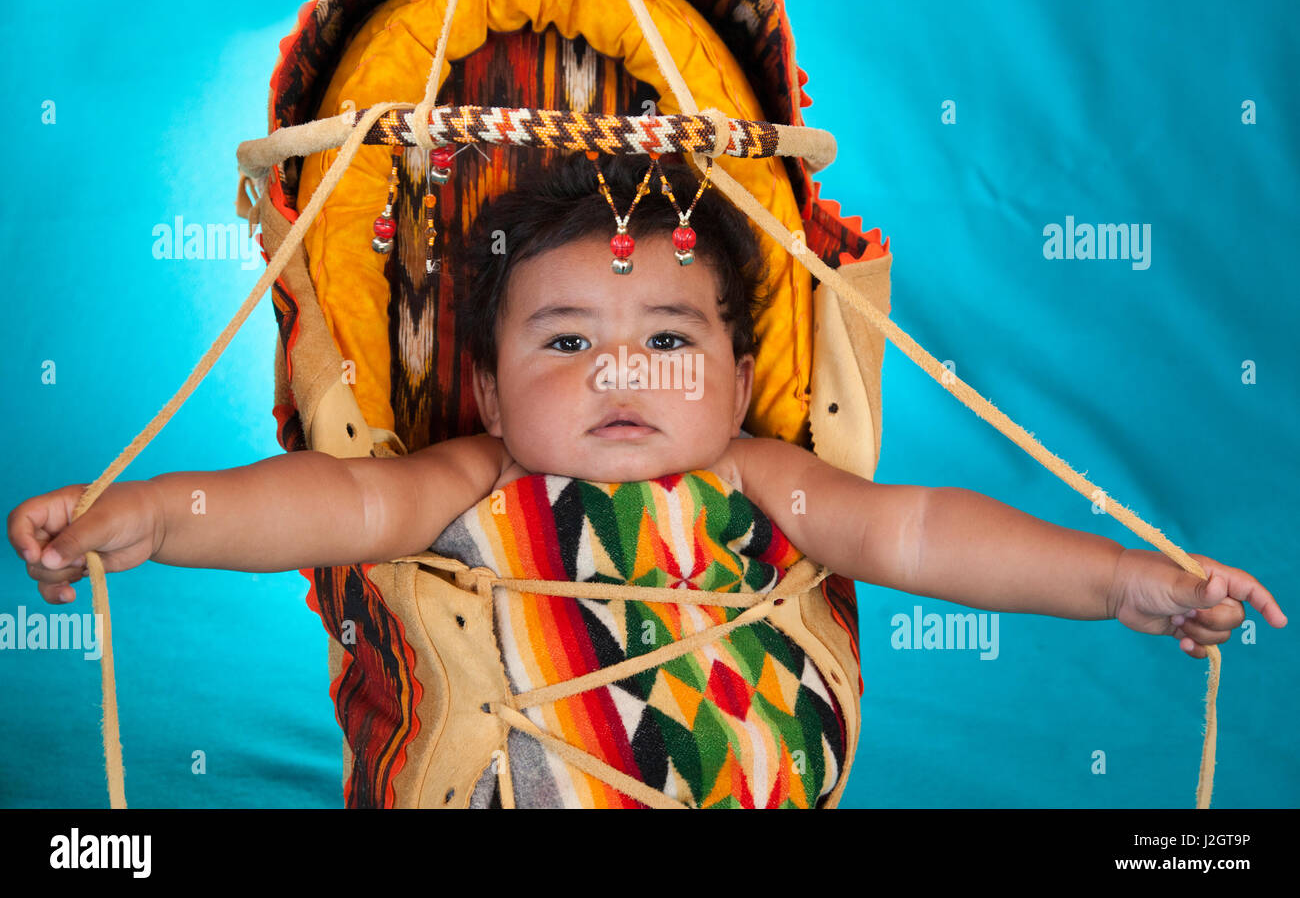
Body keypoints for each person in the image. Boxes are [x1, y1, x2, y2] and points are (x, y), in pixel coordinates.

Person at [7, 153, 1287, 807]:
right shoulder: (466, 476)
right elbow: (319, 506)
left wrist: (1120, 577)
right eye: (565, 340)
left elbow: (920, 533)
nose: (623, 369)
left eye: (670, 339)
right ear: (496, 389)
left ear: (733, 381)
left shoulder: (758, 475)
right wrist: (146, 517)